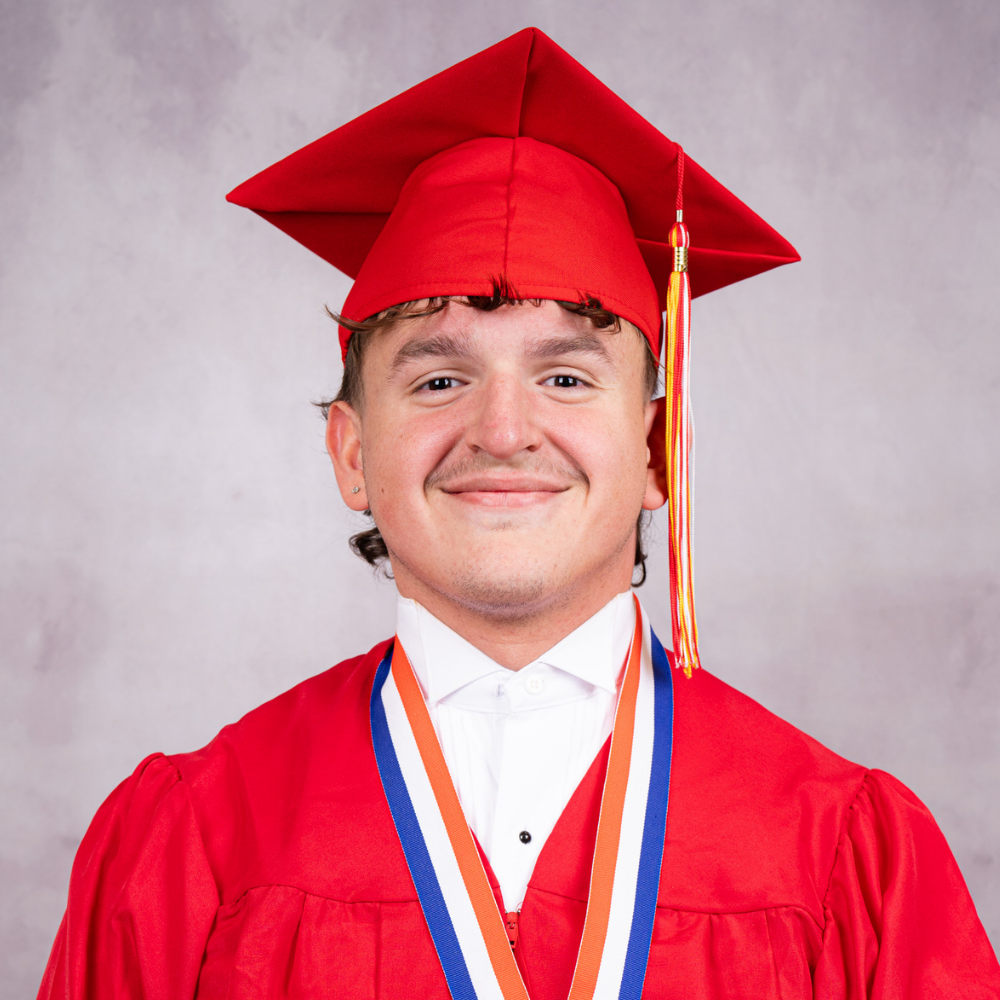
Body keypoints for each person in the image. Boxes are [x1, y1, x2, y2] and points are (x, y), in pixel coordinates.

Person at [38, 27, 999, 1000]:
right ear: (352, 452)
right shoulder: (189, 843)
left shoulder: (849, 857)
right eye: (440, 377)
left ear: (659, 453)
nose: (502, 429)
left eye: (567, 375)